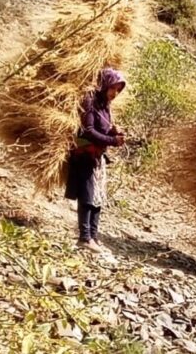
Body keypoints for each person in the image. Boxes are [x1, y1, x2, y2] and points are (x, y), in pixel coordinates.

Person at [65, 68, 127, 253]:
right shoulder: (90, 102)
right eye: (112, 89)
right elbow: (88, 131)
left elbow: (102, 129)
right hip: (84, 156)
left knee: (97, 197)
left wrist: (113, 133)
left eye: (118, 90)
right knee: (87, 196)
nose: (114, 94)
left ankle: (93, 236)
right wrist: (112, 140)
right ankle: (84, 238)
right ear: (104, 85)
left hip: (97, 158)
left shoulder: (104, 105)